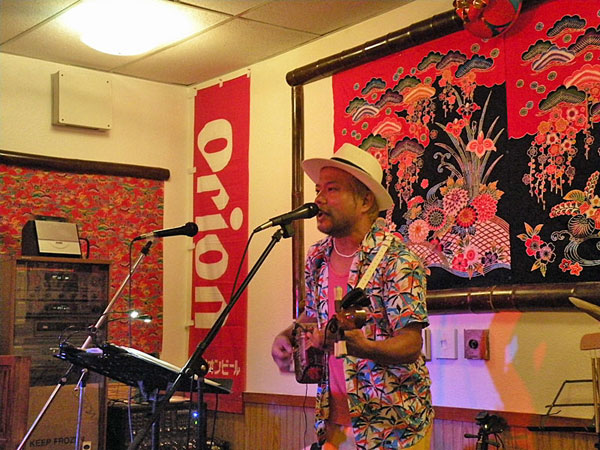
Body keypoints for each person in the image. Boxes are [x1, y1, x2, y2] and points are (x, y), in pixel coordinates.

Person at [271, 143, 433, 449]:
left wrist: (366, 348)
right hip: (332, 422)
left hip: (391, 428)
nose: (318, 199)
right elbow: (314, 315)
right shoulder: (317, 257)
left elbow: (411, 344)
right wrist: (289, 335)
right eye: (318, 189)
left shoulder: (397, 259)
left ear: (365, 201)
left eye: (332, 189)